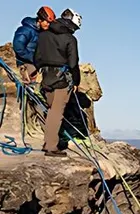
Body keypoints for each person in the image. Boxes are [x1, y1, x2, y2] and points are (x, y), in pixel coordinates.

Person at [33, 8, 82, 158]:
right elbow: (73, 63)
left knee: (50, 110)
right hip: (62, 79)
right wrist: (76, 81)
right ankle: (51, 147)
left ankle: (47, 142)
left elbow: (37, 57)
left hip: (46, 77)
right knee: (56, 113)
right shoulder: (70, 39)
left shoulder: (43, 35)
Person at [12, 7, 55, 84]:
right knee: (30, 89)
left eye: (50, 23)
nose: (48, 25)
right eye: (47, 22)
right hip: (26, 65)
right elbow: (18, 47)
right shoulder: (25, 30)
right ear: (40, 19)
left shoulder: (42, 32)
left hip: (37, 65)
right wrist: (34, 58)